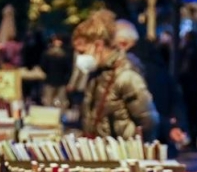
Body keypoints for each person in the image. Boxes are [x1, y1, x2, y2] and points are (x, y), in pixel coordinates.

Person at [73, 9, 159, 141]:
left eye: (82, 51)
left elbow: (148, 122)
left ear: (98, 45)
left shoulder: (127, 76)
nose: (79, 57)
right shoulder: (97, 75)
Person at [115, 19, 188, 154]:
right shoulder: (155, 59)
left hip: (142, 143)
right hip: (163, 139)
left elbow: (145, 113)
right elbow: (175, 96)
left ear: (122, 43)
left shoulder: (130, 68)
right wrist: (176, 125)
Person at [178, 31, 197, 151]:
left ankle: (191, 140)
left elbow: (185, 70)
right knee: (195, 115)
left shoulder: (188, 51)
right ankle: (194, 140)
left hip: (189, 88)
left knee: (190, 115)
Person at [39, 34, 73, 108]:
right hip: (50, 79)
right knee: (48, 100)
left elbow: (69, 68)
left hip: (61, 80)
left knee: (61, 102)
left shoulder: (66, 54)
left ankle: (60, 116)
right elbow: (43, 66)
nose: (58, 42)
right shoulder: (47, 53)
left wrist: (67, 79)